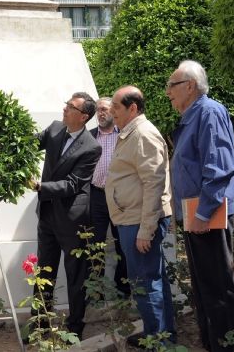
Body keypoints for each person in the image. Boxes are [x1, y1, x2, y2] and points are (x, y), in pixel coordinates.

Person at [166, 60, 234, 351]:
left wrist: (201, 213)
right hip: (197, 216)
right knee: (205, 289)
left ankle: (227, 347)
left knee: (219, 289)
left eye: (171, 86)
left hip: (208, 216)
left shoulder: (209, 112)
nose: (167, 93)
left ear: (189, 85)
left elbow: (219, 169)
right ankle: (213, 344)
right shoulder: (192, 117)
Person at [105, 86, 175, 346]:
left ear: (132, 108)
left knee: (146, 284)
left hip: (138, 221)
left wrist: (146, 230)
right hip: (131, 218)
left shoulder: (143, 134)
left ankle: (158, 342)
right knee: (151, 281)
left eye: (116, 107)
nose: (112, 112)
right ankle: (160, 337)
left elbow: (154, 184)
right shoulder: (131, 133)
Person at [30, 91, 101, 340]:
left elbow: (72, 184)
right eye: (66, 104)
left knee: (75, 274)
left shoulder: (91, 147)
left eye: (70, 107)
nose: (64, 109)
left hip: (72, 218)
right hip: (48, 214)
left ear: (83, 117)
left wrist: (41, 187)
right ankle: (39, 325)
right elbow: (30, 143)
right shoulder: (55, 129)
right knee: (44, 271)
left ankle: (74, 328)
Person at [88, 97, 130, 298]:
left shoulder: (124, 135)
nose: (100, 113)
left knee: (122, 242)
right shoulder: (89, 136)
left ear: (113, 111)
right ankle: (97, 292)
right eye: (98, 110)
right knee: (96, 244)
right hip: (96, 195)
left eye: (104, 109)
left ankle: (123, 289)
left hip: (119, 196)